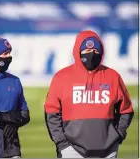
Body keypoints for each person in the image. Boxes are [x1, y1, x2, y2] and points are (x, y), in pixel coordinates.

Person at [44, 30, 134, 158]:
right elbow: (51, 112)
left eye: (96, 51)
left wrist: (118, 135)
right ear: (77, 51)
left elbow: (126, 110)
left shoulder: (113, 76)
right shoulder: (61, 77)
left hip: (108, 151)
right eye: (86, 51)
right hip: (71, 151)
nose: (92, 54)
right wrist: (62, 144)